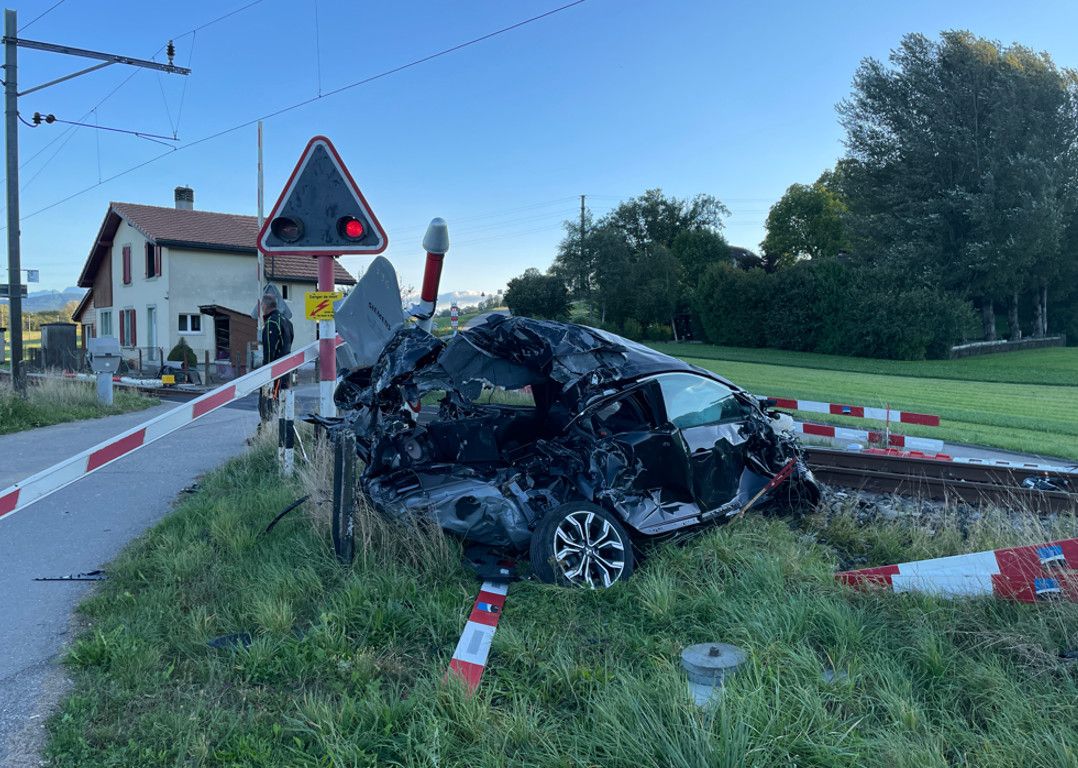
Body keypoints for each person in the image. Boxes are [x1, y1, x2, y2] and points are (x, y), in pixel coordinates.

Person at [261, 293, 294, 402]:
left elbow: (269, 352)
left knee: (271, 403)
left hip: (275, 373)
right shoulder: (287, 322)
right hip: (286, 369)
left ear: (264, 306)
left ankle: (268, 418)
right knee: (283, 402)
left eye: (262, 306)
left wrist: (266, 375)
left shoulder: (272, 322)